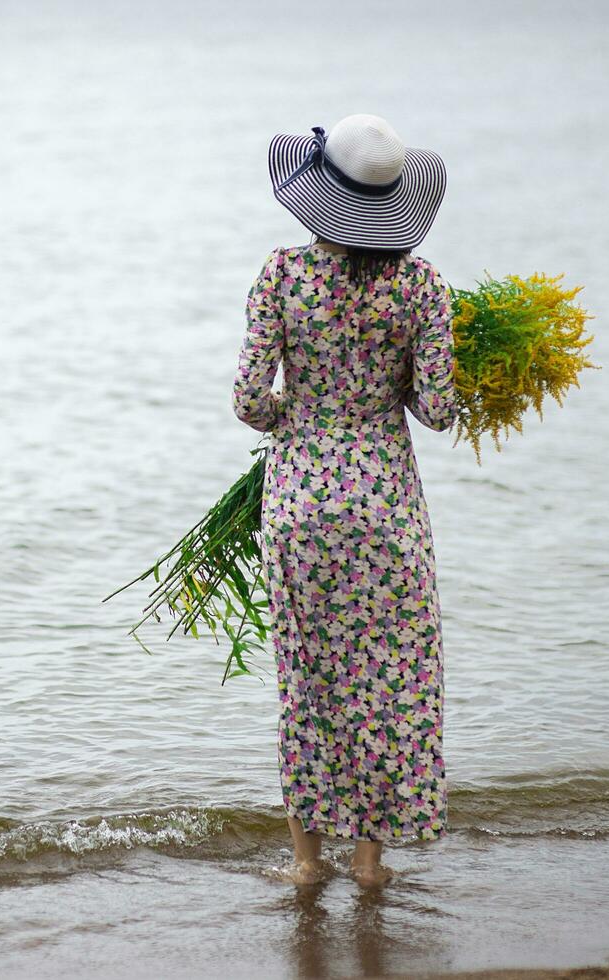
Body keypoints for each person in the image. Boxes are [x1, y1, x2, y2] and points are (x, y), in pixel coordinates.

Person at [232, 114, 458, 889]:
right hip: (386, 508)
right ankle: (369, 861)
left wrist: (296, 421)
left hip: (299, 504)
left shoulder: (282, 275)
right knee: (390, 676)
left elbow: (247, 401)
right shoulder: (425, 287)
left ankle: (305, 861)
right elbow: (434, 410)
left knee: (309, 679)